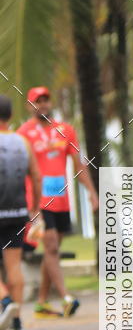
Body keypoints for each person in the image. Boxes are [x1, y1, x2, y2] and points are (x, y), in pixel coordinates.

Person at [18, 86, 98, 317]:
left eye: (45, 100)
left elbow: (78, 165)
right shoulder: (24, 133)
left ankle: (42, 302)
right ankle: (65, 297)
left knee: (52, 250)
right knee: (51, 246)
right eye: (37, 101)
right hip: (38, 202)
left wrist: (92, 193)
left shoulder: (66, 130)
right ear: (29, 106)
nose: (42, 104)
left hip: (61, 201)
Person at [0, 94, 42, 330]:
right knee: (14, 264)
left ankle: (5, 301)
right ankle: (16, 321)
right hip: (17, 211)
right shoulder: (22, 142)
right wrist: (34, 207)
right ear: (11, 116)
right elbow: (36, 177)